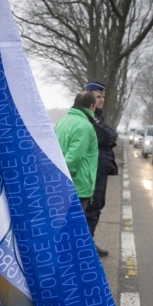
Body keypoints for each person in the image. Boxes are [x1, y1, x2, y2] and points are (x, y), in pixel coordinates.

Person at [85, 81, 119, 257]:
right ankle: (86, 246)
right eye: (98, 96)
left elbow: (111, 136)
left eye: (103, 96)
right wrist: (110, 136)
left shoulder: (98, 115)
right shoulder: (89, 116)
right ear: (89, 96)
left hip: (100, 167)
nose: (102, 99)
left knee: (97, 206)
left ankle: (88, 242)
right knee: (92, 207)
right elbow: (108, 136)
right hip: (94, 169)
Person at [54, 91, 99, 211]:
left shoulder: (62, 122)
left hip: (60, 185)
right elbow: (74, 158)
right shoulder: (84, 126)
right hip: (77, 187)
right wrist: (65, 179)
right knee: (74, 227)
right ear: (91, 106)